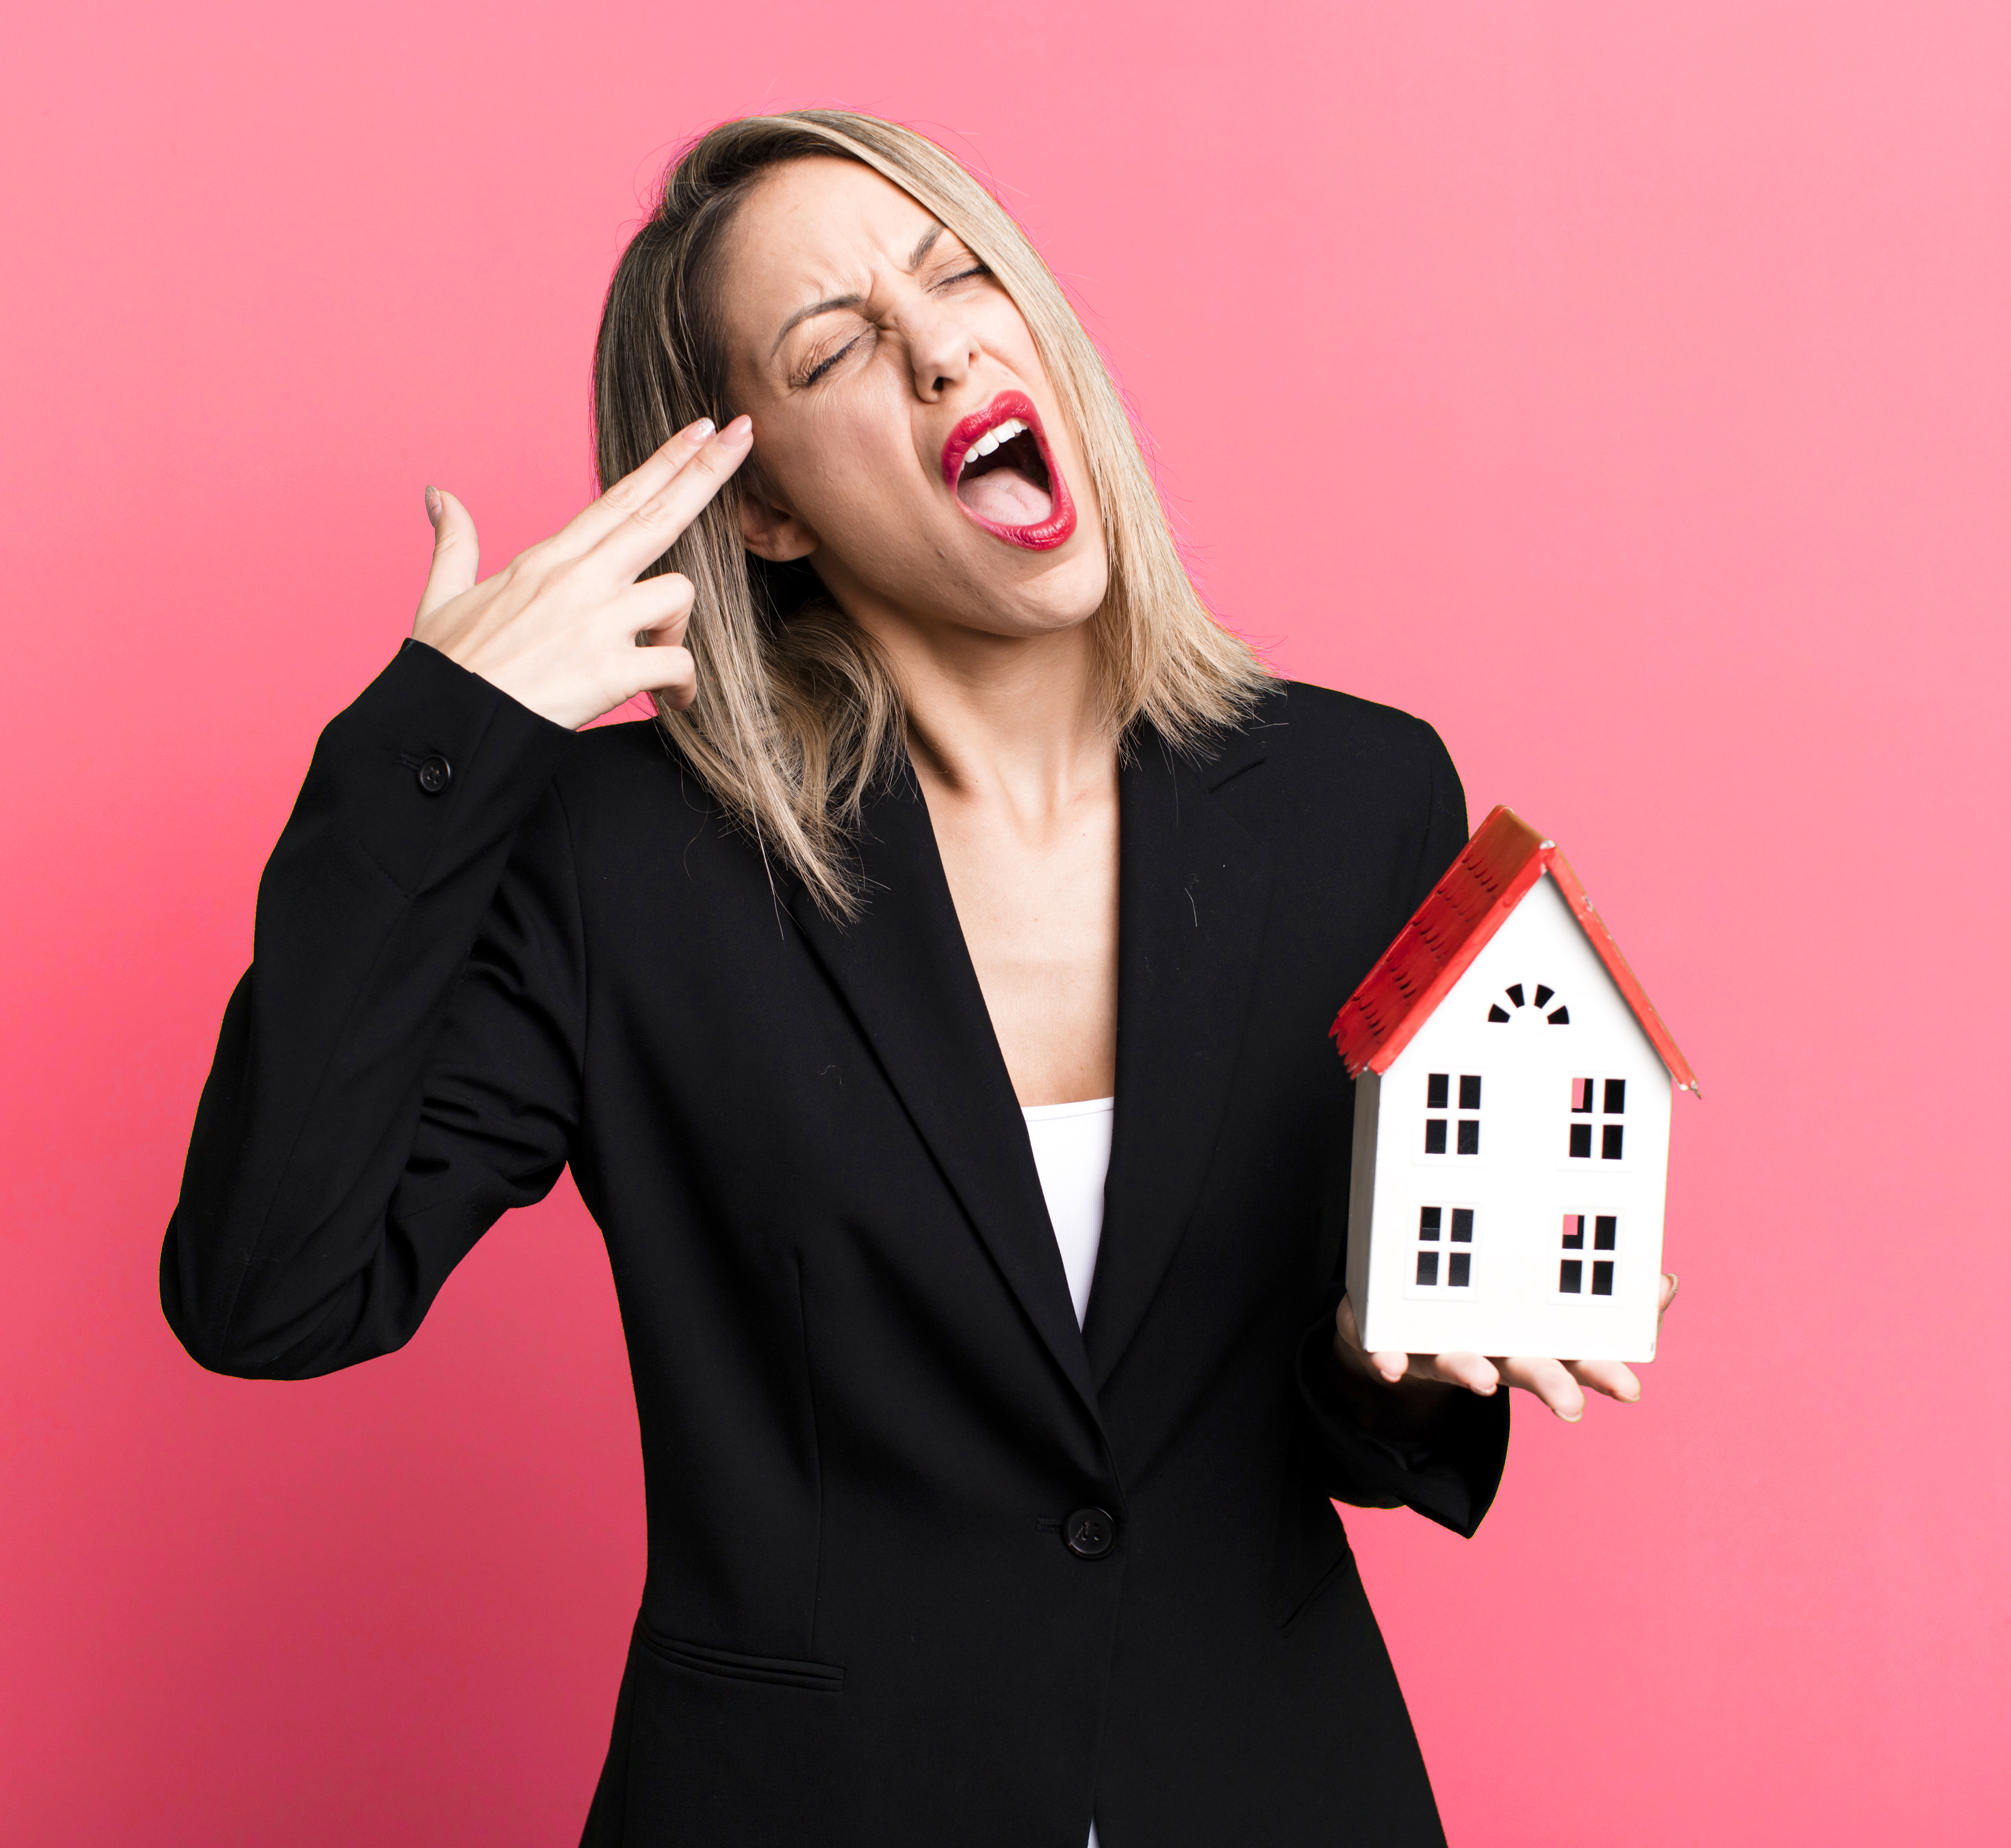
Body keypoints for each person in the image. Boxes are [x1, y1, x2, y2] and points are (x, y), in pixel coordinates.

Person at [162, 109, 1674, 1848]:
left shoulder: (1358, 798)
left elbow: (1341, 1431)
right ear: (773, 511)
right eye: (836, 346)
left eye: (960, 276)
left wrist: (1399, 1344)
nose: (940, 339)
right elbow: (268, 1291)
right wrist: (438, 743)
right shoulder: (623, 865)